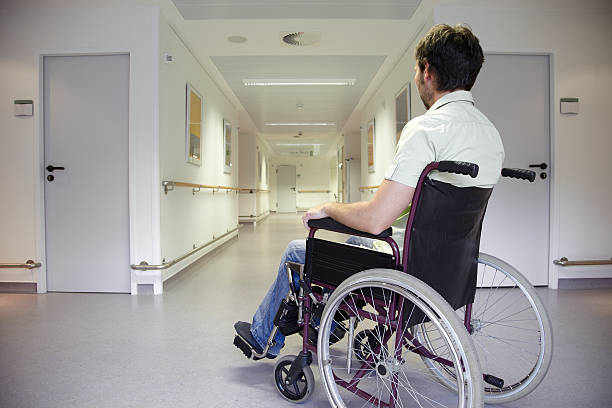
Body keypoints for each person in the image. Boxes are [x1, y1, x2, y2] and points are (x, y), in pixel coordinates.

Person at [234, 23, 505, 358]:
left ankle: (263, 336)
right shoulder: (490, 134)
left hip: (407, 267)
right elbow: (414, 207)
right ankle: (329, 321)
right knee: (357, 242)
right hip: (450, 266)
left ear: (427, 72)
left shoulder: (426, 129)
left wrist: (331, 207)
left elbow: (378, 219)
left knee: (297, 250)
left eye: (417, 71)